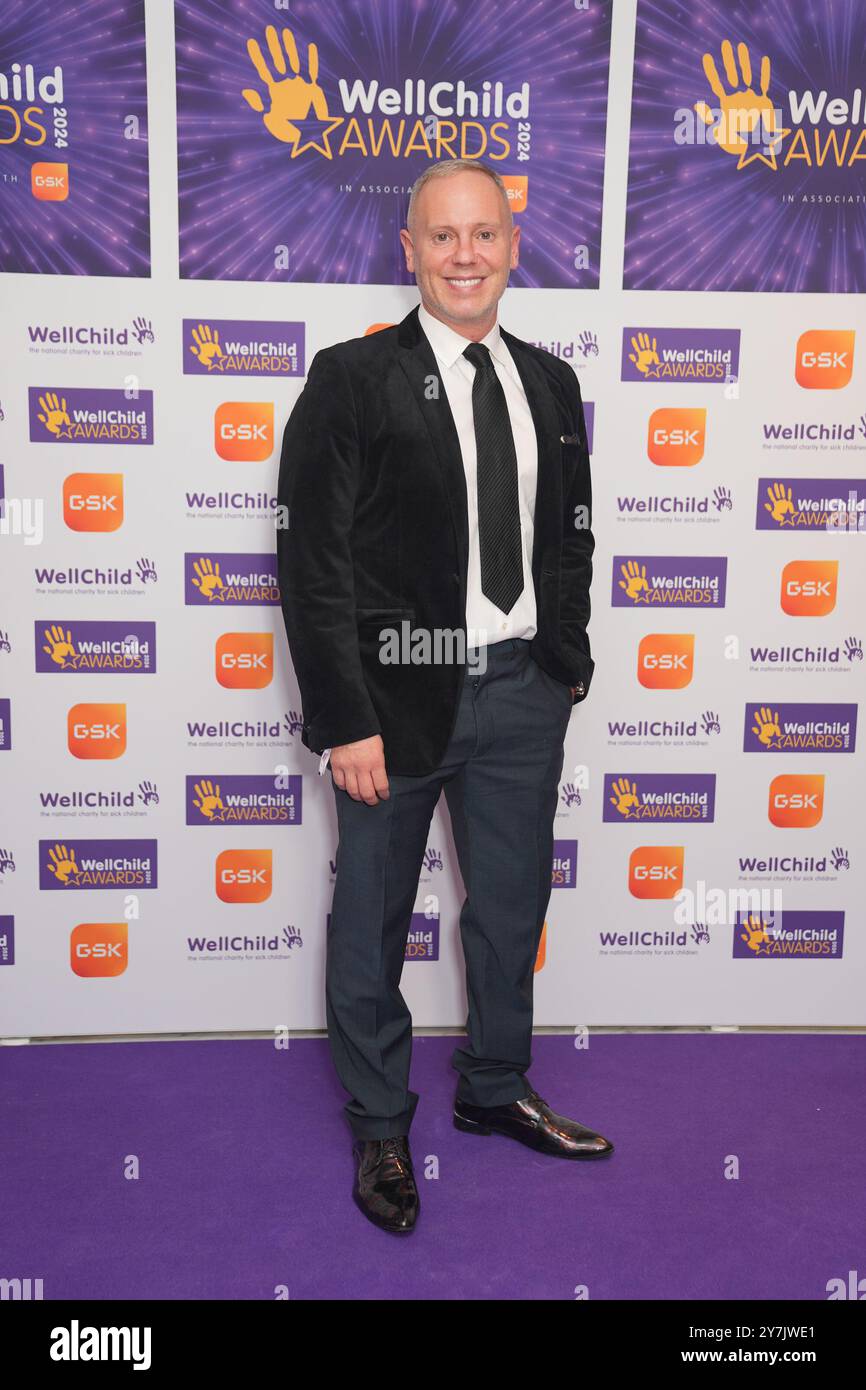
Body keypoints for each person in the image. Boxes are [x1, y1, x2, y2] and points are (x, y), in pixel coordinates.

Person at [276, 157, 613, 1236]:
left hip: (520, 695)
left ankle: (493, 1086)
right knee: (373, 921)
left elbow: (567, 536)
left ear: (512, 246)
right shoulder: (349, 380)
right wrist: (344, 719)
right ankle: (380, 1125)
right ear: (408, 251)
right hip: (392, 702)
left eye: (483, 234)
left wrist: (565, 664)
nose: (463, 255)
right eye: (441, 237)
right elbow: (313, 564)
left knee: (509, 912)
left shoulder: (550, 383)